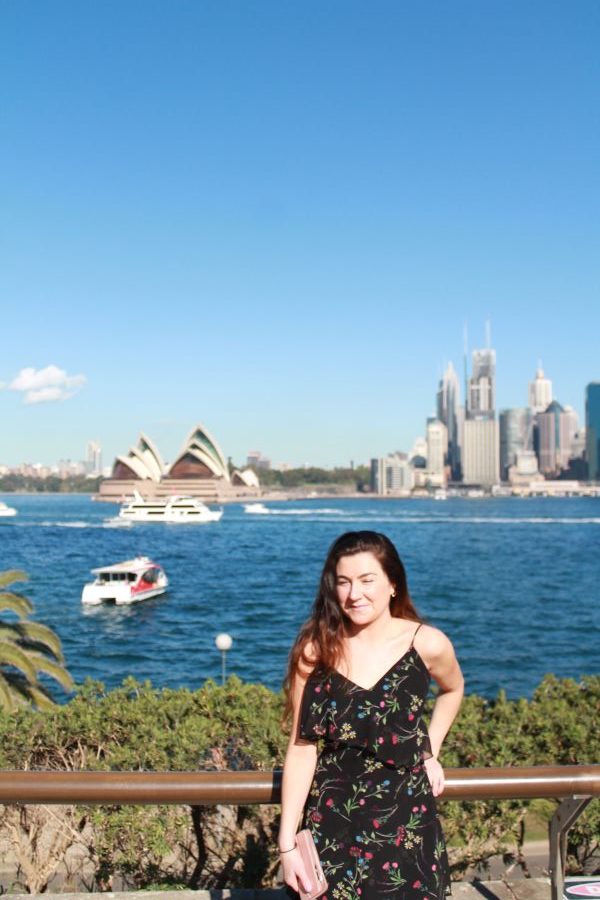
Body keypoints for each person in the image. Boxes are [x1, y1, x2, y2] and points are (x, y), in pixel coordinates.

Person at [278, 530, 464, 900]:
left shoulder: (426, 643)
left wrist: (430, 750)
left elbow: (453, 689)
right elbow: (301, 748)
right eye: (343, 582)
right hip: (332, 830)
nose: (354, 594)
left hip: (408, 829)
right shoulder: (316, 652)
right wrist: (287, 846)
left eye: (367, 580)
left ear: (393, 583)